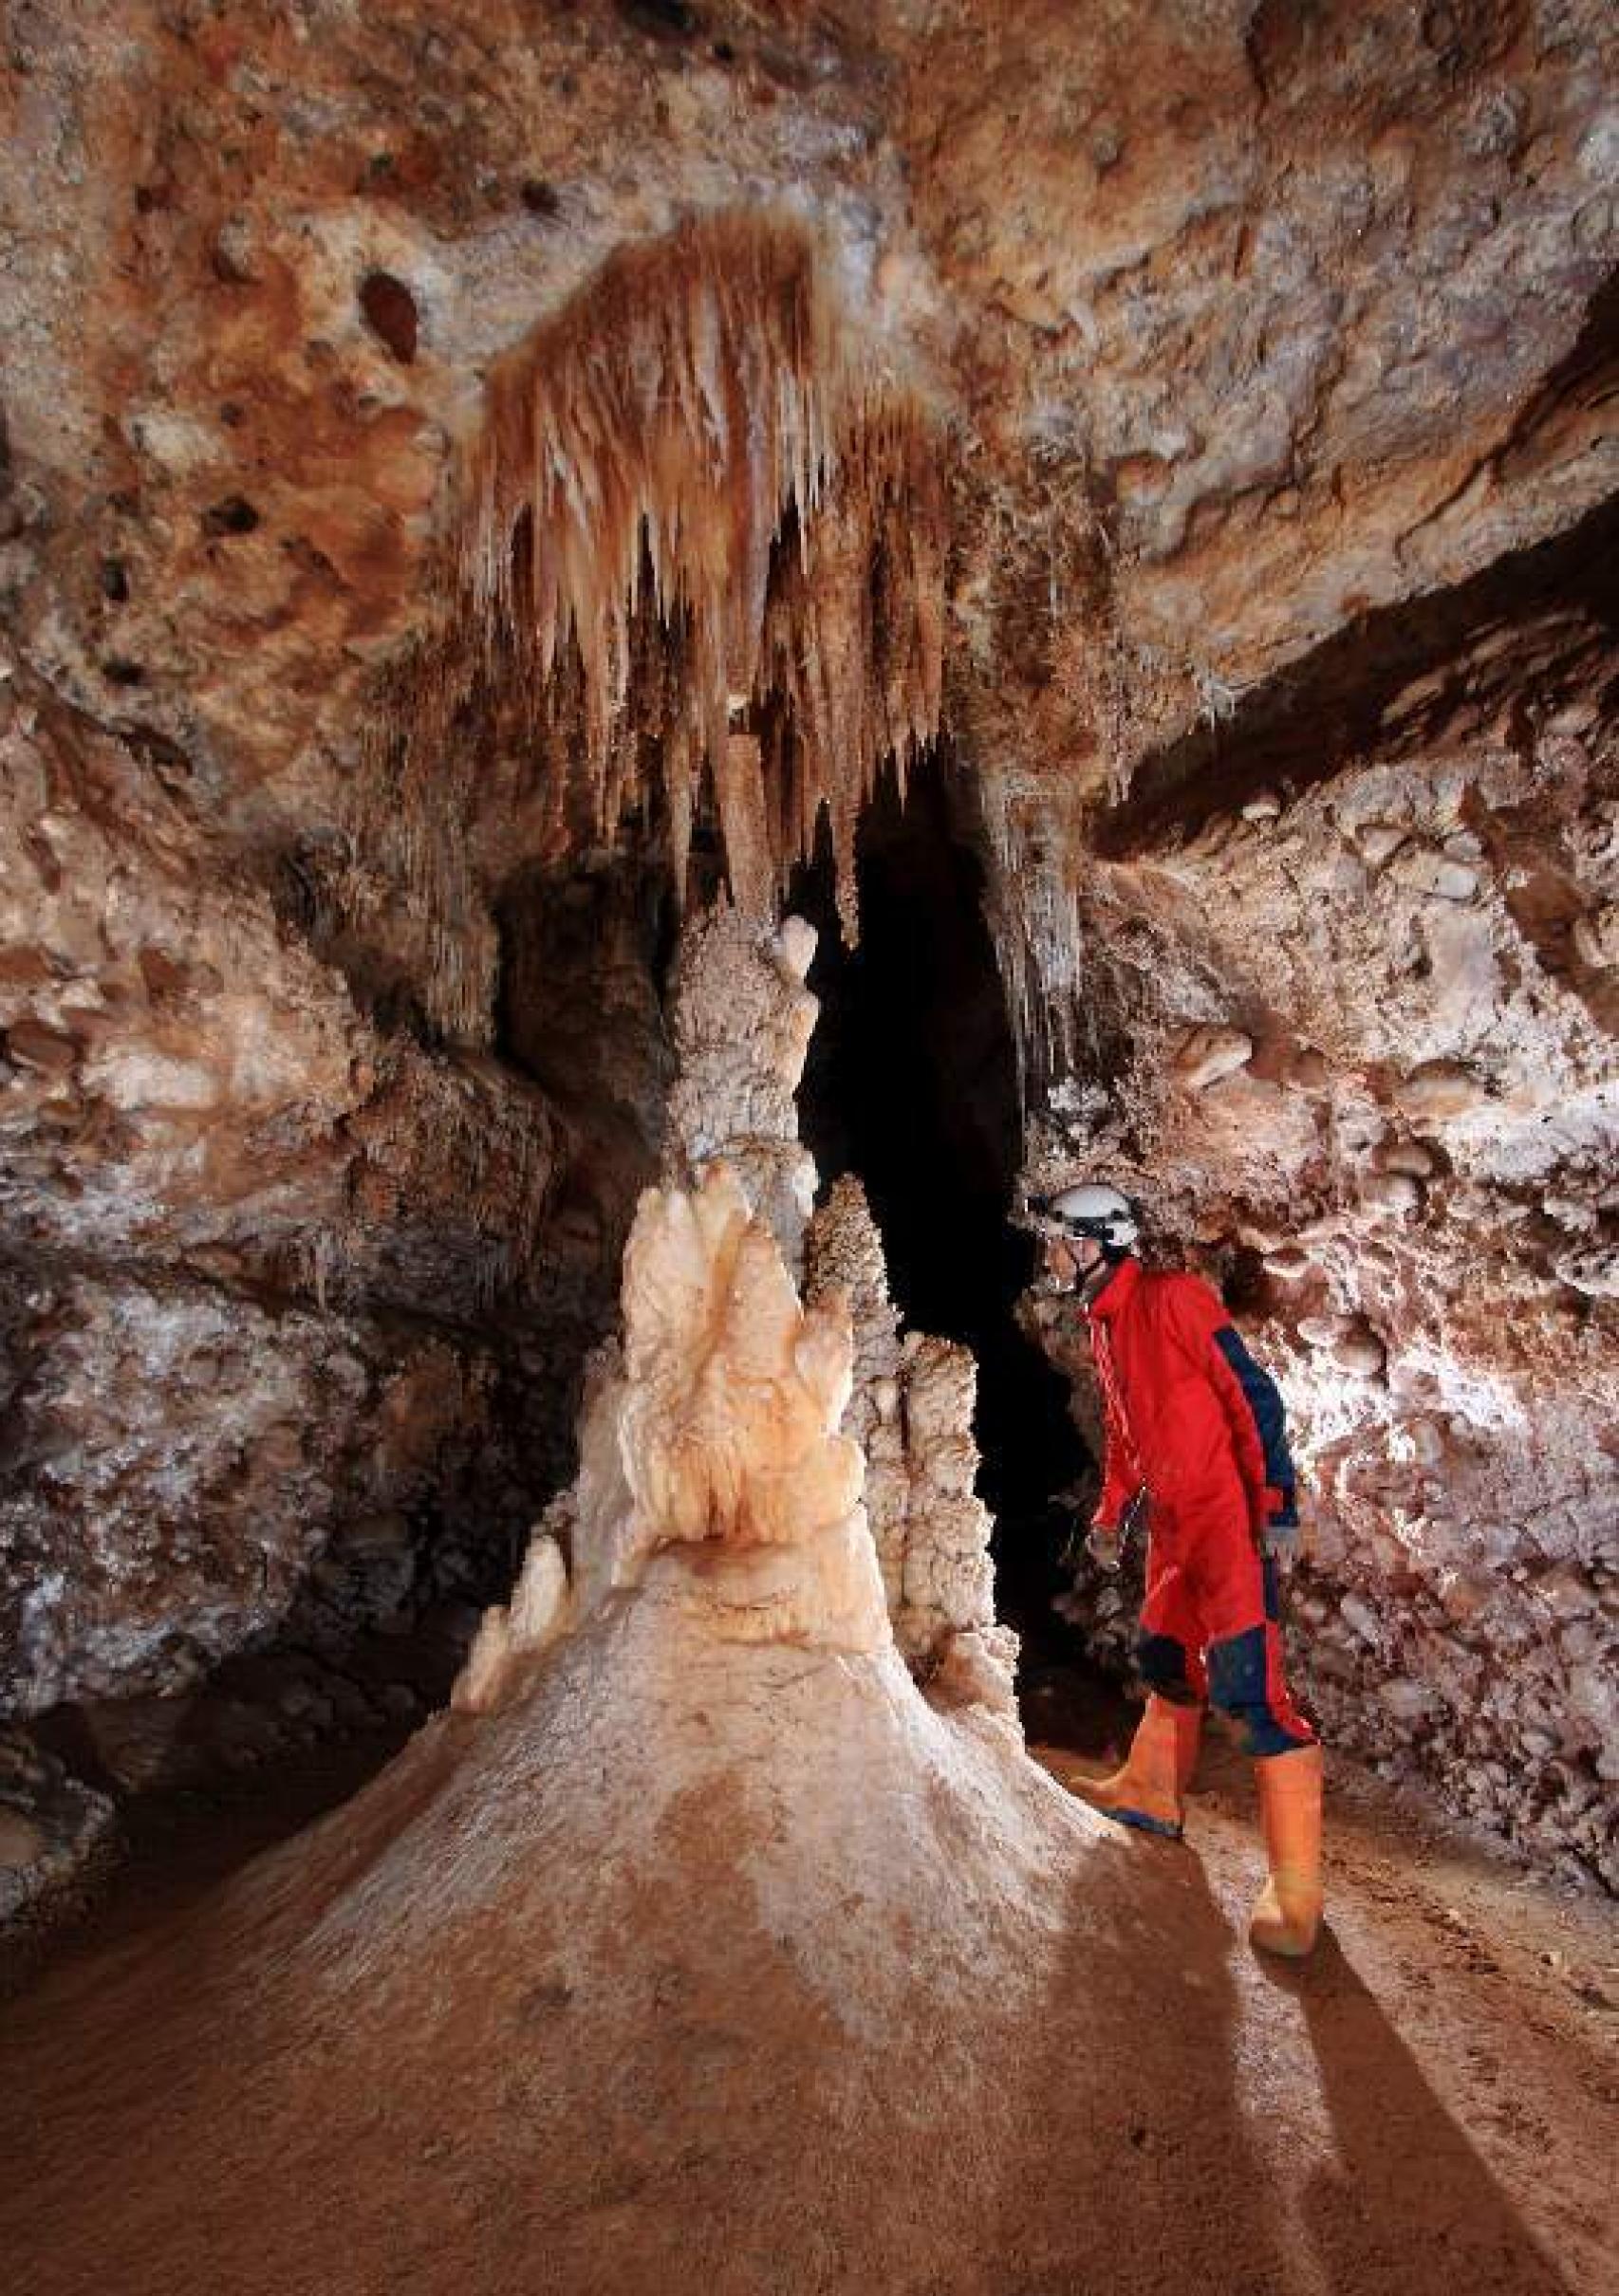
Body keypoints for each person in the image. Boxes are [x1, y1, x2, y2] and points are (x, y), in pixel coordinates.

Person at [1031, 1180, 1324, 1959]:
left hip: (1226, 1516)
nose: (1053, 1255)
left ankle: (1295, 1892)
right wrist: (1109, 1516)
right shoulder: (1106, 1324)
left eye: (1062, 1240)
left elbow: (1254, 1398)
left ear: (1097, 1243)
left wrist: (1276, 1503)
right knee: (1164, 1656)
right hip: (1173, 1522)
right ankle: (1152, 1791)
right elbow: (1128, 1435)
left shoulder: (1173, 1300)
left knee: (1249, 1689)